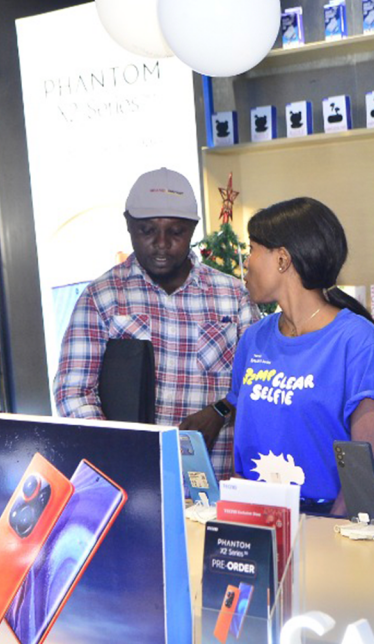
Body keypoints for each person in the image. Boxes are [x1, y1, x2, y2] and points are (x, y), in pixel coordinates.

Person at [53, 167, 258, 480]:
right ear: (128, 225)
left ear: (193, 229)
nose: (161, 243)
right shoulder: (102, 298)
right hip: (136, 481)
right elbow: (73, 393)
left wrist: (220, 411)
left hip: (220, 482)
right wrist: (121, 453)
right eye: (147, 231)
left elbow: (257, 383)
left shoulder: (233, 297)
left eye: (175, 232)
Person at [227, 197, 374, 514]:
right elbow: (244, 448)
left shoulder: (359, 343)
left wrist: (327, 531)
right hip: (256, 518)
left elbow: (369, 467)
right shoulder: (254, 340)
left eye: (252, 249)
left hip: (328, 520)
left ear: (282, 259)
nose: (246, 263)